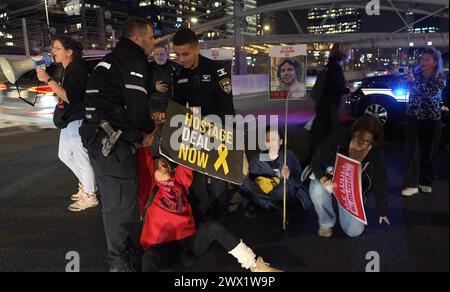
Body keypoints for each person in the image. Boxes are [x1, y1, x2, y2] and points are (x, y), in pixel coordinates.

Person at [136, 137, 282, 273]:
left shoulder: (179, 184)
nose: (162, 169)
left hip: (187, 250)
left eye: (164, 165)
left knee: (214, 227)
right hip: (162, 254)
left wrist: (191, 124)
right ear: (152, 175)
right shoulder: (150, 191)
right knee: (150, 255)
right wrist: (147, 144)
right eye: (157, 168)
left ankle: (255, 265)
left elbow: (187, 158)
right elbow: (144, 164)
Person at [79, 17, 156, 272]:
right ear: (138, 38)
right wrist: (147, 129)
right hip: (112, 146)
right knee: (120, 206)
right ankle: (119, 263)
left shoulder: (111, 59)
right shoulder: (133, 61)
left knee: (116, 202)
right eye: (152, 36)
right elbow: (137, 111)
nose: (154, 41)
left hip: (98, 141)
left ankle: (122, 250)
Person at [172, 28, 235, 221]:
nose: (181, 59)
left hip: (219, 131)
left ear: (196, 49)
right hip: (194, 135)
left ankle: (219, 216)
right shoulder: (179, 74)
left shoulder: (218, 70)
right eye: (178, 55)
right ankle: (199, 215)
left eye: (185, 54)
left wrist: (208, 124)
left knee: (218, 183)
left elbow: (227, 109)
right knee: (194, 182)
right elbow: (178, 108)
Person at [36, 36, 98, 212]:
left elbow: (69, 96)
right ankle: (87, 185)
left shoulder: (77, 69)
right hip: (69, 118)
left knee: (80, 157)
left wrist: (48, 79)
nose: (52, 51)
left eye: (57, 48)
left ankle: (90, 194)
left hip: (77, 118)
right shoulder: (69, 68)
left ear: (69, 52)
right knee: (64, 154)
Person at [310, 116, 390, 238]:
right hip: (330, 180)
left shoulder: (376, 152)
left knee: (353, 232)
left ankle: (351, 206)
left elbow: (381, 180)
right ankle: (326, 222)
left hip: (352, 192)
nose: (360, 143)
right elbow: (316, 161)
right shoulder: (338, 137)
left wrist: (382, 210)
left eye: (366, 141)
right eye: (357, 138)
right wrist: (323, 179)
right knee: (316, 189)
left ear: (373, 141)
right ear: (353, 132)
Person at [402, 47, 447, 197]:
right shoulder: (416, 74)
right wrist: (406, 79)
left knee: (429, 152)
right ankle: (411, 184)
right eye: (422, 59)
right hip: (413, 117)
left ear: (435, 62)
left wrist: (413, 82)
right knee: (412, 151)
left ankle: (426, 181)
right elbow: (409, 88)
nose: (423, 62)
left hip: (432, 120)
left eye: (427, 59)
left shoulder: (440, 77)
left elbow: (430, 94)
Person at [239, 127, 311, 219]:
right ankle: (272, 204)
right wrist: (245, 173)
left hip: (281, 192)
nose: (271, 143)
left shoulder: (289, 156)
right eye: (268, 140)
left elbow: (298, 182)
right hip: (265, 190)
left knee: (284, 188)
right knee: (246, 183)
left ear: (280, 141)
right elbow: (249, 182)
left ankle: (264, 203)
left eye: (274, 139)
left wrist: (289, 177)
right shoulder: (258, 158)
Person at [310, 43, 357, 152]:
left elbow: (331, 85)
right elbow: (335, 89)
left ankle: (318, 155)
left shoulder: (329, 65)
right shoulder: (335, 67)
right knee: (330, 135)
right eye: (349, 54)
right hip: (329, 107)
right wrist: (350, 89)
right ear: (343, 54)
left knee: (321, 133)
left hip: (323, 105)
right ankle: (324, 160)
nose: (350, 57)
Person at [148, 43, 179, 156]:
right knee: (156, 134)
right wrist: (153, 87)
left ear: (167, 54)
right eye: (156, 54)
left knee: (171, 133)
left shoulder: (175, 67)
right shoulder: (147, 68)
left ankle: (170, 158)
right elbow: (141, 88)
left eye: (162, 54)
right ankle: (156, 158)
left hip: (172, 105)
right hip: (154, 106)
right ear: (153, 54)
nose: (159, 56)